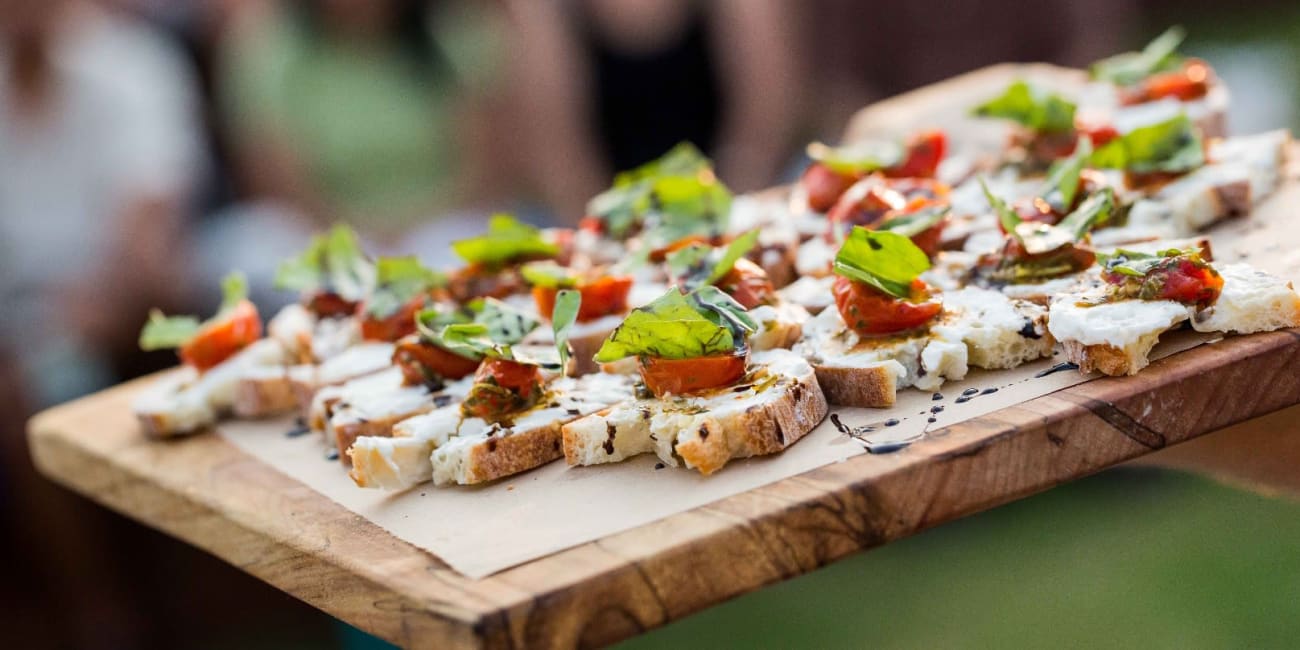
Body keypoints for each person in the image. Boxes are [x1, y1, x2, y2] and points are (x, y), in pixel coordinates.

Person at [213, 0, 510, 280]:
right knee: (249, 248)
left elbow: (482, 171)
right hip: (318, 235)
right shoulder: (271, 51)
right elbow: (276, 182)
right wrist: (353, 234)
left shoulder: (451, 39)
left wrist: (404, 230)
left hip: (439, 230)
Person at [507, 0, 803, 219]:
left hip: (736, 193)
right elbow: (561, 155)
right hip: (609, 210)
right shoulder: (544, 10)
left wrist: (718, 226)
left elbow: (764, 118)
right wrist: (612, 244)